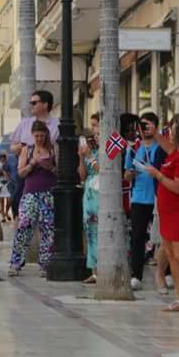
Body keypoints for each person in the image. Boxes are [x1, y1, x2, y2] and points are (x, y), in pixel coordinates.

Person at [142, 116, 179, 313]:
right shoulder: (175, 153)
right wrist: (154, 133)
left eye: (174, 131)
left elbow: (178, 187)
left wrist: (157, 175)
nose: (171, 133)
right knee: (171, 256)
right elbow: (167, 146)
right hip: (167, 213)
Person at [8, 121, 57, 278]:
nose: (39, 139)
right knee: (24, 227)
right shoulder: (27, 150)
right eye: (36, 136)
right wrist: (32, 165)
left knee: (48, 230)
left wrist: (51, 168)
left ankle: (45, 263)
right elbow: (20, 173)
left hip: (48, 195)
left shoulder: (53, 149)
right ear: (32, 135)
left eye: (42, 136)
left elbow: (60, 172)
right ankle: (16, 262)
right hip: (30, 194)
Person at [124, 112, 167, 290]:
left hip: (159, 197)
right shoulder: (134, 148)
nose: (145, 128)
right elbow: (126, 174)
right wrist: (131, 174)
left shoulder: (163, 148)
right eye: (142, 125)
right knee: (138, 236)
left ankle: (168, 272)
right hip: (140, 198)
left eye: (148, 125)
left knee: (165, 237)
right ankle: (136, 275)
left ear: (155, 126)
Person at [8, 90, 59, 218]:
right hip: (25, 171)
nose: (31, 105)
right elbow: (12, 147)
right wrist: (21, 147)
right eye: (31, 102)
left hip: (48, 175)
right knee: (19, 208)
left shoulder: (57, 125)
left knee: (46, 216)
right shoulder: (25, 123)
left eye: (34, 102)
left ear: (45, 105)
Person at [79, 114, 101, 284]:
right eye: (92, 126)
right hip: (89, 194)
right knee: (90, 231)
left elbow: (103, 170)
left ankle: (103, 268)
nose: (94, 130)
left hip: (102, 195)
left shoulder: (105, 150)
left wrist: (90, 158)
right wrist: (82, 156)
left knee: (102, 231)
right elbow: (82, 175)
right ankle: (94, 270)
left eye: (96, 125)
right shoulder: (90, 152)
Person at [0, 154, 12, 222]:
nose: (2, 159)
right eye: (1, 158)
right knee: (1, 201)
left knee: (9, 201)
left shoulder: (8, 164)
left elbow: (11, 173)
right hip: (0, 183)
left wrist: (4, 171)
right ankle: (3, 217)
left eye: (3, 158)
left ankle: (6, 213)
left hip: (8, 184)